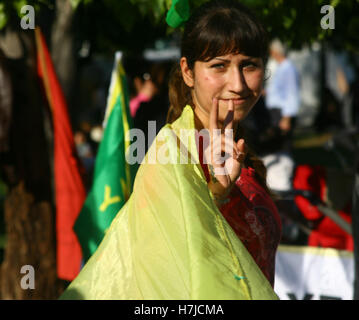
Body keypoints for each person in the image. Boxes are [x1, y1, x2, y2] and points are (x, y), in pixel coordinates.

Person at [60, 0, 280, 300]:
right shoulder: (170, 156)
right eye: (219, 66)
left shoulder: (243, 154)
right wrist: (217, 195)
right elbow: (164, 279)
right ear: (188, 71)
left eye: (249, 65)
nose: (238, 84)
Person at [264, 38, 300, 151]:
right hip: (275, 112)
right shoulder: (280, 68)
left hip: (282, 113)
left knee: (284, 146)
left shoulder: (288, 69)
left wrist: (286, 118)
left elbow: (292, 94)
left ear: (275, 52)